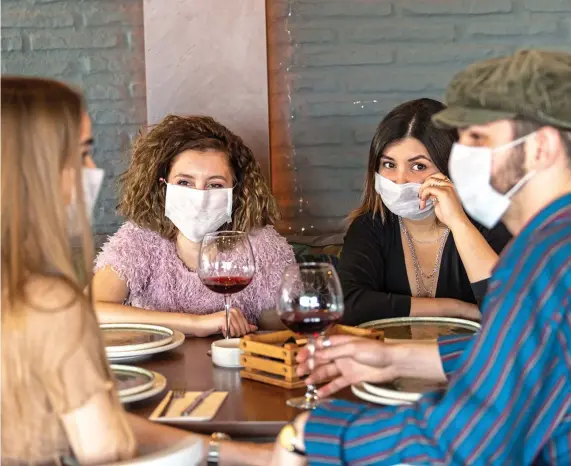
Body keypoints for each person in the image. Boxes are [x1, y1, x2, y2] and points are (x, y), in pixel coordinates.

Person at [272, 50, 571, 465]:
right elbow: (530, 357)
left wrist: (309, 434)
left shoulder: (546, 260)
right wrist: (396, 356)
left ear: (541, 147)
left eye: (479, 139)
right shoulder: (550, 247)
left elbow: (464, 445)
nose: (464, 158)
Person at [1, 76, 277, 466]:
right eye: (81, 154)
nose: (93, 169)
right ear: (35, 167)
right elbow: (109, 449)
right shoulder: (50, 302)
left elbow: (98, 419)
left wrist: (248, 455)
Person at [93, 115, 295, 337]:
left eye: (215, 184)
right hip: (155, 367)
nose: (199, 195)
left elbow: (286, 330)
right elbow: (91, 311)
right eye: (184, 182)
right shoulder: (139, 239)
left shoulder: (262, 246)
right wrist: (196, 323)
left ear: (235, 191)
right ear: (163, 187)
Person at [340, 98, 511, 325]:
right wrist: (456, 308)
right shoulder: (371, 225)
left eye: (418, 166)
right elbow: (348, 305)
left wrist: (458, 223)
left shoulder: (491, 223)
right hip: (393, 356)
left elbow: (509, 308)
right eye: (389, 164)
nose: (400, 180)